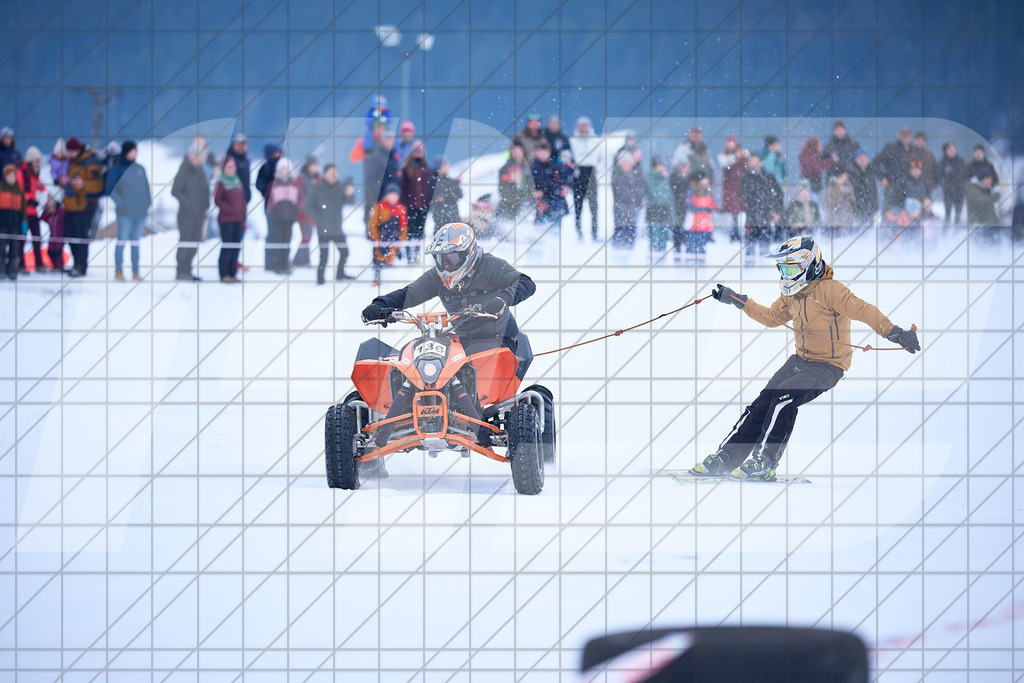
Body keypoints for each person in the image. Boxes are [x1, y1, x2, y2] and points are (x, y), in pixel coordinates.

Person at [691, 236, 920, 480]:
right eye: (782, 270)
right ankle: (727, 458)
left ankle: (764, 462)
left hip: (829, 366)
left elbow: (864, 311)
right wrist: (738, 300)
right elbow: (772, 318)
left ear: (809, 265)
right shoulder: (792, 295)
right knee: (763, 402)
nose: (786, 275)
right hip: (800, 361)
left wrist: (894, 332)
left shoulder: (831, 290)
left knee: (783, 398)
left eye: (791, 269)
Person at [360, 222, 537, 468]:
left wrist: (501, 299)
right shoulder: (439, 276)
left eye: (451, 256)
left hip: (495, 337)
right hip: (459, 338)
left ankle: (472, 419)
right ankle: (402, 416)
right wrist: (380, 304)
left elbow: (526, 283)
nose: (446, 263)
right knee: (413, 356)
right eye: (441, 257)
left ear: (468, 253)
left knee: (469, 366)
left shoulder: (490, 265)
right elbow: (409, 293)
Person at [106, 141, 151, 281]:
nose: (135, 153)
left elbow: (146, 188)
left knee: (135, 242)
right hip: (125, 213)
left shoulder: (140, 168)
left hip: (140, 213)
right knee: (122, 240)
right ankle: (118, 271)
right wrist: (121, 204)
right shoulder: (117, 169)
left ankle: (135, 271)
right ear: (127, 152)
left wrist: (147, 203)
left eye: (136, 150)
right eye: (133, 150)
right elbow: (110, 189)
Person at [305, 163, 356, 284]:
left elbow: (350, 201)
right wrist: (318, 219)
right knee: (324, 256)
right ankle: (320, 279)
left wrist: (350, 193)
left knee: (345, 252)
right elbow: (307, 207)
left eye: (336, 173)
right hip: (323, 229)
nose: (334, 175)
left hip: (337, 228)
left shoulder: (341, 187)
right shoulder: (317, 188)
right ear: (325, 174)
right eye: (331, 173)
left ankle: (340, 274)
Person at [61, 137, 105, 277]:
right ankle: (76, 264)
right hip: (70, 205)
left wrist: (83, 184)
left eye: (72, 151)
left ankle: (81, 266)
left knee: (81, 236)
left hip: (85, 206)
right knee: (69, 235)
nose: (70, 154)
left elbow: (99, 184)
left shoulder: (91, 160)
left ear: (78, 150)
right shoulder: (70, 161)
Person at [170, 146, 210, 281]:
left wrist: (205, 207)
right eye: (194, 155)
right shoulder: (184, 170)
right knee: (185, 242)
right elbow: (175, 191)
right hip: (186, 215)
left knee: (195, 243)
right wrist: (187, 203)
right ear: (189, 156)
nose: (196, 158)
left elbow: (205, 192)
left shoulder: (202, 171)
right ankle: (180, 271)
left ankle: (188, 271)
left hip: (199, 215)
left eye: (199, 156)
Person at [740, 153, 783, 259]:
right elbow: (740, 194)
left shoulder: (768, 176)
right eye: (751, 161)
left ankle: (764, 273)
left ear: (760, 162)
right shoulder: (746, 178)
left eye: (755, 161)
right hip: (751, 217)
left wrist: (777, 211)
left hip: (766, 216)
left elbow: (779, 194)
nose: (753, 164)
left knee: (765, 251)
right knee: (749, 252)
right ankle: (748, 273)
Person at [264, 158, 304, 274]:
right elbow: (269, 200)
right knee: (278, 240)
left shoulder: (295, 184)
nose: (284, 171)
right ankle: (278, 264)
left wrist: (296, 208)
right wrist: (271, 210)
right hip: (277, 217)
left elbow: (301, 199)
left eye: (285, 169)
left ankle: (285, 264)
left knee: (287, 240)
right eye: (282, 169)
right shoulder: (274, 183)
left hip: (290, 217)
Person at [214, 156, 247, 283]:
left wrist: (243, 216)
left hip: (239, 220)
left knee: (236, 247)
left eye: (233, 166)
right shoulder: (221, 182)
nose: (231, 169)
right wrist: (231, 209)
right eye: (229, 166)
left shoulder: (237, 181)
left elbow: (242, 201)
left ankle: (233, 273)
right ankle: (224, 274)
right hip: (226, 220)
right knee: (227, 246)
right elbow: (218, 200)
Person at [368, 183, 408, 286]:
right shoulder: (379, 206)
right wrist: (375, 238)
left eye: (395, 195)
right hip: (381, 239)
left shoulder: (401, 208)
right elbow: (373, 224)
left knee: (390, 260)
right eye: (391, 194)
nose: (393, 197)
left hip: (393, 239)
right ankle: (377, 279)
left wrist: (402, 240)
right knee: (377, 260)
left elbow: (403, 227)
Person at [569, 116, 601, 240]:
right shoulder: (573, 141)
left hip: (591, 172)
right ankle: (578, 232)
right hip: (578, 173)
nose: (583, 128)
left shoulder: (595, 140)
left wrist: (597, 170)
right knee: (578, 206)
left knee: (594, 206)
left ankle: (594, 232)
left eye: (585, 125)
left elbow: (601, 158)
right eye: (580, 125)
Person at [362, 127, 401, 227]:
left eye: (392, 140)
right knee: (376, 226)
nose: (390, 142)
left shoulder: (393, 156)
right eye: (388, 140)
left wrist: (395, 191)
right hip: (379, 197)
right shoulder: (377, 156)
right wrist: (381, 194)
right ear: (383, 141)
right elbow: (371, 178)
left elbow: (394, 176)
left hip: (391, 197)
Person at [400, 141, 432, 261]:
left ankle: (417, 255)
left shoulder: (427, 169)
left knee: (420, 231)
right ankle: (409, 256)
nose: (418, 153)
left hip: (423, 205)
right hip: (410, 205)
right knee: (409, 231)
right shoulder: (406, 168)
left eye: (420, 151)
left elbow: (428, 187)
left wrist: (428, 203)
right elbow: (403, 188)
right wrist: (404, 204)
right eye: (416, 151)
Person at [529, 141, 573, 227]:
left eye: (545, 151)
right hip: (541, 200)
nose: (542, 154)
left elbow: (567, 175)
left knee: (556, 223)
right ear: (536, 152)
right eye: (540, 151)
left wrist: (565, 187)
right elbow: (528, 183)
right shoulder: (532, 166)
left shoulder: (555, 165)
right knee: (540, 224)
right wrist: (534, 191)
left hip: (556, 198)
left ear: (549, 152)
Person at [16, 146, 45, 273]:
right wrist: (29, 200)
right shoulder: (21, 173)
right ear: (30, 161)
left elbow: (42, 188)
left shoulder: (34, 174)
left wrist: (40, 185)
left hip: (33, 212)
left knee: (37, 238)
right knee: (22, 240)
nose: (38, 164)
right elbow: (19, 191)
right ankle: (21, 265)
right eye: (36, 161)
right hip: (23, 213)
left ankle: (39, 264)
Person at [873, 127, 914, 216]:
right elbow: (875, 162)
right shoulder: (891, 148)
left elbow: (918, 169)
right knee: (888, 214)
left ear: (911, 137)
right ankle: (885, 229)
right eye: (903, 135)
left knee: (908, 215)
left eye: (907, 136)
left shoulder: (913, 151)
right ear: (899, 136)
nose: (905, 138)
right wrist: (882, 177)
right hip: (892, 185)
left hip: (908, 187)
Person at [611, 149, 645, 249]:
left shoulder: (632, 174)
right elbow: (622, 193)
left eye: (629, 163)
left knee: (630, 235)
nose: (628, 165)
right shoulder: (617, 175)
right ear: (620, 164)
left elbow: (640, 190)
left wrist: (636, 193)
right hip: (621, 211)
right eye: (625, 163)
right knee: (621, 234)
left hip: (631, 211)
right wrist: (634, 193)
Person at [293, 156, 321, 267]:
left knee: (308, 237)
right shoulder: (301, 178)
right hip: (303, 213)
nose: (315, 168)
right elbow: (299, 196)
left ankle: (304, 259)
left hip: (314, 214)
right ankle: (298, 260)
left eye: (316, 166)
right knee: (306, 236)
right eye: (313, 166)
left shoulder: (319, 179)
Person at [718, 135, 747, 243]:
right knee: (733, 211)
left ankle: (740, 232)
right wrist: (736, 156)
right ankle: (734, 232)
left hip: (740, 186)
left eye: (732, 142)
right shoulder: (724, 156)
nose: (730, 145)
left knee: (740, 210)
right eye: (728, 142)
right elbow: (724, 163)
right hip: (730, 187)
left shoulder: (743, 155)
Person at [0, 164, 26, 280]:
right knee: (1, 247)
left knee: (14, 248)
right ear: (5, 177)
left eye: (13, 176)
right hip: (2, 225)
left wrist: (24, 222)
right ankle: (1, 269)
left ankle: (12, 270)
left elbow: (23, 210)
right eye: (9, 176)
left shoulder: (19, 192)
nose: (11, 178)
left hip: (15, 225)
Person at [497, 137, 531, 223]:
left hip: (525, 206)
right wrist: (512, 181)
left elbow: (530, 185)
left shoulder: (527, 167)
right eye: (515, 151)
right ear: (511, 152)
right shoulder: (506, 168)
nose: (518, 153)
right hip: (509, 207)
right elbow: (502, 189)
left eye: (520, 151)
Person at [645, 156, 673, 257]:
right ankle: (654, 255)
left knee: (664, 235)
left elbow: (669, 195)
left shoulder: (665, 178)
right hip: (654, 208)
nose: (663, 167)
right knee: (655, 234)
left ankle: (662, 255)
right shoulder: (650, 176)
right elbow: (654, 192)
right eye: (660, 165)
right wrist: (661, 177)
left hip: (664, 208)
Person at [686, 172, 717, 260]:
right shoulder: (691, 191)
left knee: (702, 249)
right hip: (693, 226)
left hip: (705, 226)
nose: (706, 181)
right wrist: (704, 209)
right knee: (691, 250)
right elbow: (691, 207)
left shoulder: (708, 191)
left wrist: (710, 208)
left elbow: (714, 204)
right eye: (704, 179)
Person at [936, 142, 967, 226]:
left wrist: (961, 184)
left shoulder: (961, 161)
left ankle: (957, 231)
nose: (952, 151)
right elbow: (939, 178)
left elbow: (965, 175)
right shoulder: (942, 163)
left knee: (958, 215)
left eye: (953, 149)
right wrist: (946, 184)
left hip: (959, 192)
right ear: (945, 151)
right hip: (948, 193)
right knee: (948, 215)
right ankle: (946, 231)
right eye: (950, 150)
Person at [429, 156, 462, 230]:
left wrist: (456, 183)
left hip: (451, 215)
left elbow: (459, 194)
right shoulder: (434, 181)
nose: (448, 167)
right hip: (442, 215)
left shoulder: (447, 180)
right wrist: (456, 183)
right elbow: (444, 196)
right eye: (446, 165)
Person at [965, 171, 1000, 241]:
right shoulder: (973, 190)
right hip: (980, 228)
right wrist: (997, 194)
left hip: (988, 227)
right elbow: (983, 202)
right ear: (983, 179)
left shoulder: (982, 189)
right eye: (989, 179)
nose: (991, 182)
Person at [848, 149, 879, 227]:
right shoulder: (852, 170)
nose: (863, 160)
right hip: (857, 205)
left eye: (864, 157)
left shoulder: (871, 170)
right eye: (860, 158)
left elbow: (874, 190)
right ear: (856, 159)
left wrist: (875, 206)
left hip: (871, 205)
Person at [668, 160, 692, 259]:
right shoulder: (674, 179)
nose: (687, 170)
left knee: (685, 232)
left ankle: (685, 252)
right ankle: (677, 253)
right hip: (677, 209)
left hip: (686, 210)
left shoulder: (689, 179)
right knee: (677, 232)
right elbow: (672, 195)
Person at [823, 169, 855, 234]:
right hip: (835, 221)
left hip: (846, 221)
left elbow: (849, 205)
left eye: (847, 176)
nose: (846, 178)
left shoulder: (848, 187)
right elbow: (830, 205)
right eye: (843, 176)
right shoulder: (830, 189)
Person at [41, 198, 65, 272]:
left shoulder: (59, 216)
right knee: (50, 251)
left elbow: (62, 214)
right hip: (52, 237)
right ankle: (54, 265)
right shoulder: (49, 217)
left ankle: (60, 266)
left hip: (59, 237)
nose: (51, 209)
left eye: (52, 207)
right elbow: (43, 217)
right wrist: (46, 208)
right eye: (49, 208)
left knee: (58, 252)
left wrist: (57, 206)